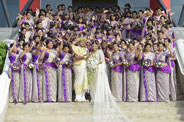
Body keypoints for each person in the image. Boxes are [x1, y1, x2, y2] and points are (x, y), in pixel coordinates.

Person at [72, 37, 89, 102]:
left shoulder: (86, 49)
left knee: (84, 80)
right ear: (79, 43)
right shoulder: (76, 48)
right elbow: (77, 56)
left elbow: (88, 56)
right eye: (81, 42)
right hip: (78, 65)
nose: (83, 43)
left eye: (84, 42)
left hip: (85, 65)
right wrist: (85, 57)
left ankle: (83, 96)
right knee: (78, 80)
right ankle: (77, 96)